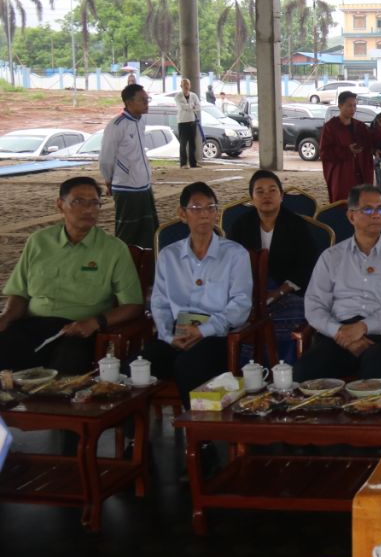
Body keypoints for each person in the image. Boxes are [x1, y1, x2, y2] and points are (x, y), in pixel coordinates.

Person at [0, 177, 144, 373]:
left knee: (68, 362)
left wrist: (95, 322)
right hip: (33, 325)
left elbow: (133, 305)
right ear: (60, 205)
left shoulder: (113, 249)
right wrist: (6, 317)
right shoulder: (39, 241)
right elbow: (19, 293)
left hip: (79, 330)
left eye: (94, 203)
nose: (88, 209)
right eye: (78, 202)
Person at [143, 183, 253, 404]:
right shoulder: (169, 256)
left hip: (216, 337)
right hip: (177, 335)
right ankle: (136, 426)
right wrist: (168, 337)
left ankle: (197, 425)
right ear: (182, 214)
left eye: (210, 208)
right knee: (138, 366)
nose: (204, 214)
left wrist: (203, 331)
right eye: (196, 208)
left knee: (188, 365)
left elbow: (241, 305)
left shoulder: (235, 254)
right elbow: (160, 303)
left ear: (217, 213)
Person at [295, 185, 381, 382]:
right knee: (303, 371)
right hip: (338, 334)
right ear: (351, 216)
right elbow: (314, 305)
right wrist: (339, 333)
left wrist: (364, 327)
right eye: (368, 209)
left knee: (375, 367)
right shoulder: (331, 257)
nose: (376, 215)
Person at [226, 170, 322, 363]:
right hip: (248, 294)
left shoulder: (297, 225)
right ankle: (248, 369)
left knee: (295, 312)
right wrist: (251, 295)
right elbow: (230, 266)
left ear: (281, 195)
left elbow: (307, 267)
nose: (266, 196)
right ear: (252, 198)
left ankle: (284, 367)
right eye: (260, 191)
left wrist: (277, 293)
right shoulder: (241, 225)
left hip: (288, 292)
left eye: (272, 190)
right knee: (236, 315)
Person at [100, 83, 159, 249]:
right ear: (129, 102)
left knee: (148, 229)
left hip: (144, 184)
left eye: (147, 99)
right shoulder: (116, 125)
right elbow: (106, 157)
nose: (146, 103)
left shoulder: (141, 121)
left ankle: (147, 260)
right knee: (127, 232)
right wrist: (108, 179)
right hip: (126, 186)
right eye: (142, 100)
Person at [320, 90, 381, 203]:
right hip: (341, 176)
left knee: (362, 204)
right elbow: (325, 153)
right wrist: (347, 151)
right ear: (340, 106)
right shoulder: (330, 127)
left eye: (354, 105)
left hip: (361, 175)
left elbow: (371, 141)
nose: (352, 109)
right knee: (343, 205)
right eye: (349, 106)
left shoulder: (360, 126)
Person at [175, 77, 202, 169]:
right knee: (183, 143)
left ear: (190, 86)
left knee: (192, 143)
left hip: (192, 121)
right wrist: (191, 106)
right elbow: (182, 107)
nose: (186, 86)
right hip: (182, 122)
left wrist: (189, 106)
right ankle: (183, 163)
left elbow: (198, 107)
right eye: (184, 85)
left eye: (187, 84)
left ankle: (193, 163)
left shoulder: (194, 95)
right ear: (181, 86)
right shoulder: (178, 96)